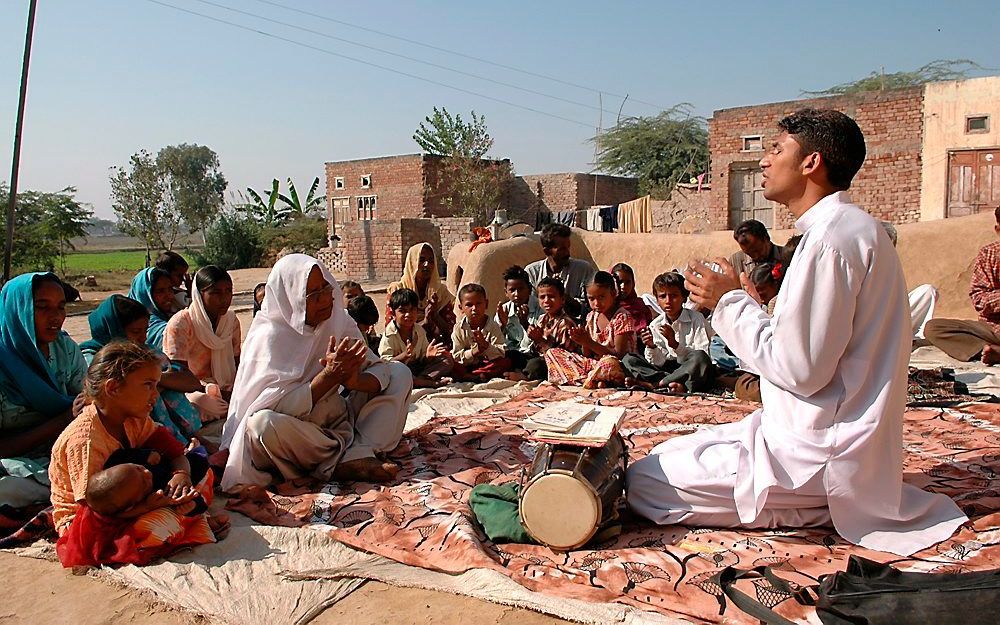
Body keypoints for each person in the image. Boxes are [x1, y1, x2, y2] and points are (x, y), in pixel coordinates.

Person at [627, 108, 966, 557]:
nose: (765, 162)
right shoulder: (841, 231)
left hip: (821, 449)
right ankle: (817, 495)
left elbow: (802, 370)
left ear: (812, 163)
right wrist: (742, 302)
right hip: (807, 430)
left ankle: (821, 504)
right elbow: (804, 350)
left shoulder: (831, 241)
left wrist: (728, 302)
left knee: (644, 484)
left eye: (776, 149)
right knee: (670, 452)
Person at [221, 254, 412, 490]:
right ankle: (340, 463)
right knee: (260, 426)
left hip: (340, 419)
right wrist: (328, 378)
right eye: (313, 295)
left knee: (399, 372)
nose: (325, 299)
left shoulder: (337, 319)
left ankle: (358, 453)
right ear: (291, 299)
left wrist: (355, 381)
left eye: (326, 287)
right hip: (300, 435)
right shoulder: (267, 336)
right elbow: (271, 408)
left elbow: (378, 367)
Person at [49, 341, 226, 567]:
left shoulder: (135, 418)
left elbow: (173, 450)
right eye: (148, 385)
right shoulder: (85, 440)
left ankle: (186, 515)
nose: (155, 395)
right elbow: (96, 510)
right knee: (157, 527)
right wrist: (149, 507)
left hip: (135, 492)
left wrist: (181, 475)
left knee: (201, 470)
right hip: (93, 521)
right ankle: (188, 520)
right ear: (113, 388)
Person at [0, 273, 86, 512]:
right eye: (41, 307)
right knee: (8, 488)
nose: (56, 317)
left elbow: (88, 398)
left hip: (63, 451)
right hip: (13, 463)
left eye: (61, 307)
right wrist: (63, 418)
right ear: (17, 310)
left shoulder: (64, 349)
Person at [81, 295, 206, 444]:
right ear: (114, 330)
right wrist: (152, 382)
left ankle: (190, 439)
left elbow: (190, 381)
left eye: (145, 330)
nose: (143, 337)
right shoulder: (94, 359)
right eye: (135, 332)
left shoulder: (147, 351)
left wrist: (154, 380)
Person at [163, 266, 241, 418]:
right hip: (197, 388)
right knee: (201, 402)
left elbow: (237, 362)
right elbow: (179, 373)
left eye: (228, 291)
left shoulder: (231, 321)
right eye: (215, 293)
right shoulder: (181, 323)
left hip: (228, 386)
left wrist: (237, 390)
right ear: (199, 294)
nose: (224, 299)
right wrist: (213, 391)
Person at [622, 272, 714, 393]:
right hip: (667, 371)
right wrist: (651, 346)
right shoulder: (655, 325)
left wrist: (675, 345)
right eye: (663, 296)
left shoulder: (696, 319)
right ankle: (674, 385)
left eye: (674, 296)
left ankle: (659, 384)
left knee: (700, 358)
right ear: (657, 300)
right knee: (629, 359)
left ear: (684, 297)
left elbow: (703, 355)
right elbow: (657, 363)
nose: (668, 301)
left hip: (689, 369)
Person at [543, 271, 634, 389]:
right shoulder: (591, 317)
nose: (596, 303)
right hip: (594, 365)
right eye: (591, 299)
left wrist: (589, 342)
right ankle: (590, 380)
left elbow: (620, 355)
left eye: (601, 297)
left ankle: (589, 380)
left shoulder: (622, 317)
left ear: (613, 293)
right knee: (553, 353)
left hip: (617, 366)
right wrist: (583, 341)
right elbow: (587, 355)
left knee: (609, 362)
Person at [878, 222, 941, 344]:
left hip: (892, 316)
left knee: (927, 291)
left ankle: (910, 336)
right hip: (868, 321)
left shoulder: (890, 265)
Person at [380, 288, 453, 388]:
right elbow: (385, 363)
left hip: (418, 369)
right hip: (399, 369)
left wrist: (428, 357)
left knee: (447, 360)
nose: (408, 315)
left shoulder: (419, 331)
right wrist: (404, 356)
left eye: (412, 310)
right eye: (402, 311)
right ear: (393, 314)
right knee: (400, 372)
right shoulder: (389, 335)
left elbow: (423, 359)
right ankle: (432, 383)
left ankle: (421, 380)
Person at [386, 243, 456, 345]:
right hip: (404, 347)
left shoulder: (441, 292)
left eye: (431, 261)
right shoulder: (397, 290)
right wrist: (425, 322)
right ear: (412, 263)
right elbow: (391, 330)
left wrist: (435, 315)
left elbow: (451, 331)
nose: (427, 264)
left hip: (435, 345)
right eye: (421, 260)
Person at [525, 223, 597, 320]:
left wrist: (564, 298)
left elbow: (590, 307)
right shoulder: (532, 272)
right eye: (562, 249)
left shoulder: (583, 269)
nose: (567, 252)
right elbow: (532, 307)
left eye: (568, 247)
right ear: (547, 251)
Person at [451, 283, 511, 381]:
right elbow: (456, 356)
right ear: (461, 308)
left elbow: (501, 352)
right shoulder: (458, 328)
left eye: (478, 303)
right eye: (469, 305)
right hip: (467, 365)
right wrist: (473, 352)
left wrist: (486, 346)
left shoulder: (493, 326)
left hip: (487, 364)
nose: (474, 308)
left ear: (486, 304)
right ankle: (476, 376)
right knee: (449, 361)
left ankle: (474, 376)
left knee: (505, 362)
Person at [520, 277, 576, 381]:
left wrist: (539, 340)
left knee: (535, 365)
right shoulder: (542, 319)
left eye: (551, 297)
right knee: (513, 355)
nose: (546, 301)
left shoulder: (565, 324)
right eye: (542, 297)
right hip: (539, 356)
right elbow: (534, 350)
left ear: (562, 299)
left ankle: (523, 376)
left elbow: (562, 358)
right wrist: (526, 326)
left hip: (556, 364)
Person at [495, 265, 541, 375]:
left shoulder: (540, 308)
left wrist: (525, 323)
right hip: (512, 355)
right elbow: (495, 341)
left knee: (537, 365)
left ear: (529, 289)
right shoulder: (504, 310)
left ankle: (522, 375)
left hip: (533, 355)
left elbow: (541, 341)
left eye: (521, 289)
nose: (517, 294)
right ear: (506, 292)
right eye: (512, 290)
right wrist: (502, 326)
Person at [127, 267, 177, 351]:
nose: (170, 296)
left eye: (170, 289)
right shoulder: (141, 323)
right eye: (160, 291)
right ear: (144, 294)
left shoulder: (167, 316)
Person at [611, 263, 654, 333]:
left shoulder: (640, 306)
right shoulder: (609, 309)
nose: (623, 286)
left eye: (627, 282)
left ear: (633, 283)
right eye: (620, 282)